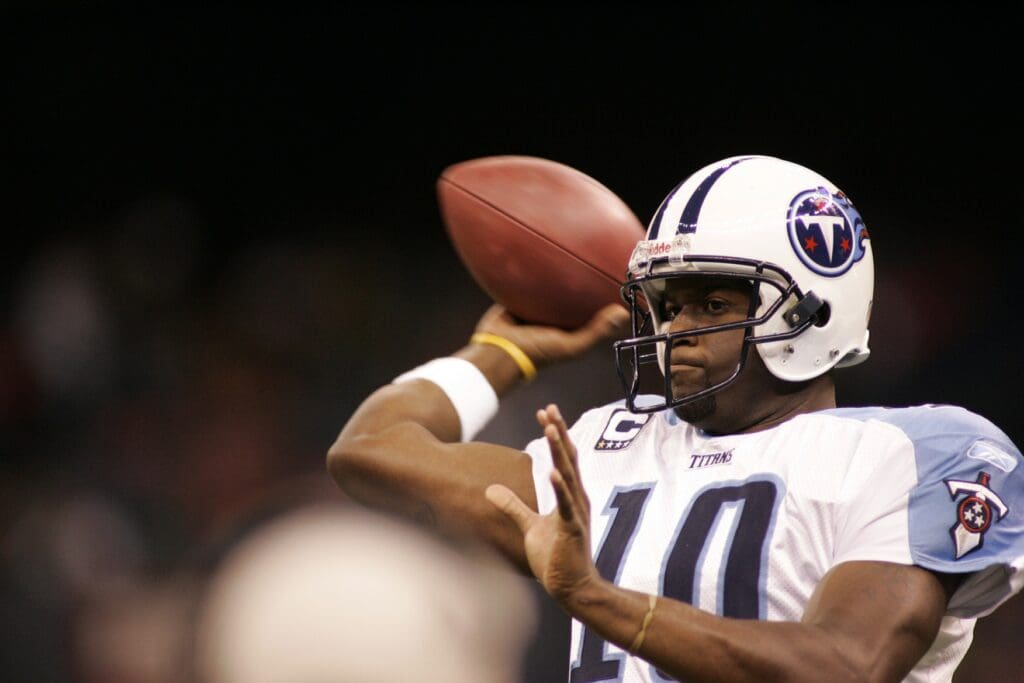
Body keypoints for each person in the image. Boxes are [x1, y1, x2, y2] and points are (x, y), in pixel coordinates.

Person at [328, 155, 1024, 682]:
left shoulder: (919, 453)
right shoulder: (608, 450)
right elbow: (371, 449)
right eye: (666, 304)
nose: (676, 331)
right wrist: (501, 352)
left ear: (814, 307)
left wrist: (598, 599)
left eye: (712, 304)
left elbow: (842, 664)